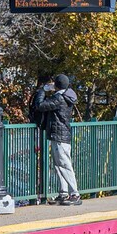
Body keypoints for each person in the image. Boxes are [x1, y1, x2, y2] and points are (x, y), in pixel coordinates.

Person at [40, 73, 80, 205]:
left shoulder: (59, 98)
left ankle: (74, 193)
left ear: (56, 85)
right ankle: (63, 193)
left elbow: (41, 105)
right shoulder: (67, 96)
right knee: (59, 165)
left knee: (64, 164)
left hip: (59, 135)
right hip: (62, 135)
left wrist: (43, 90)